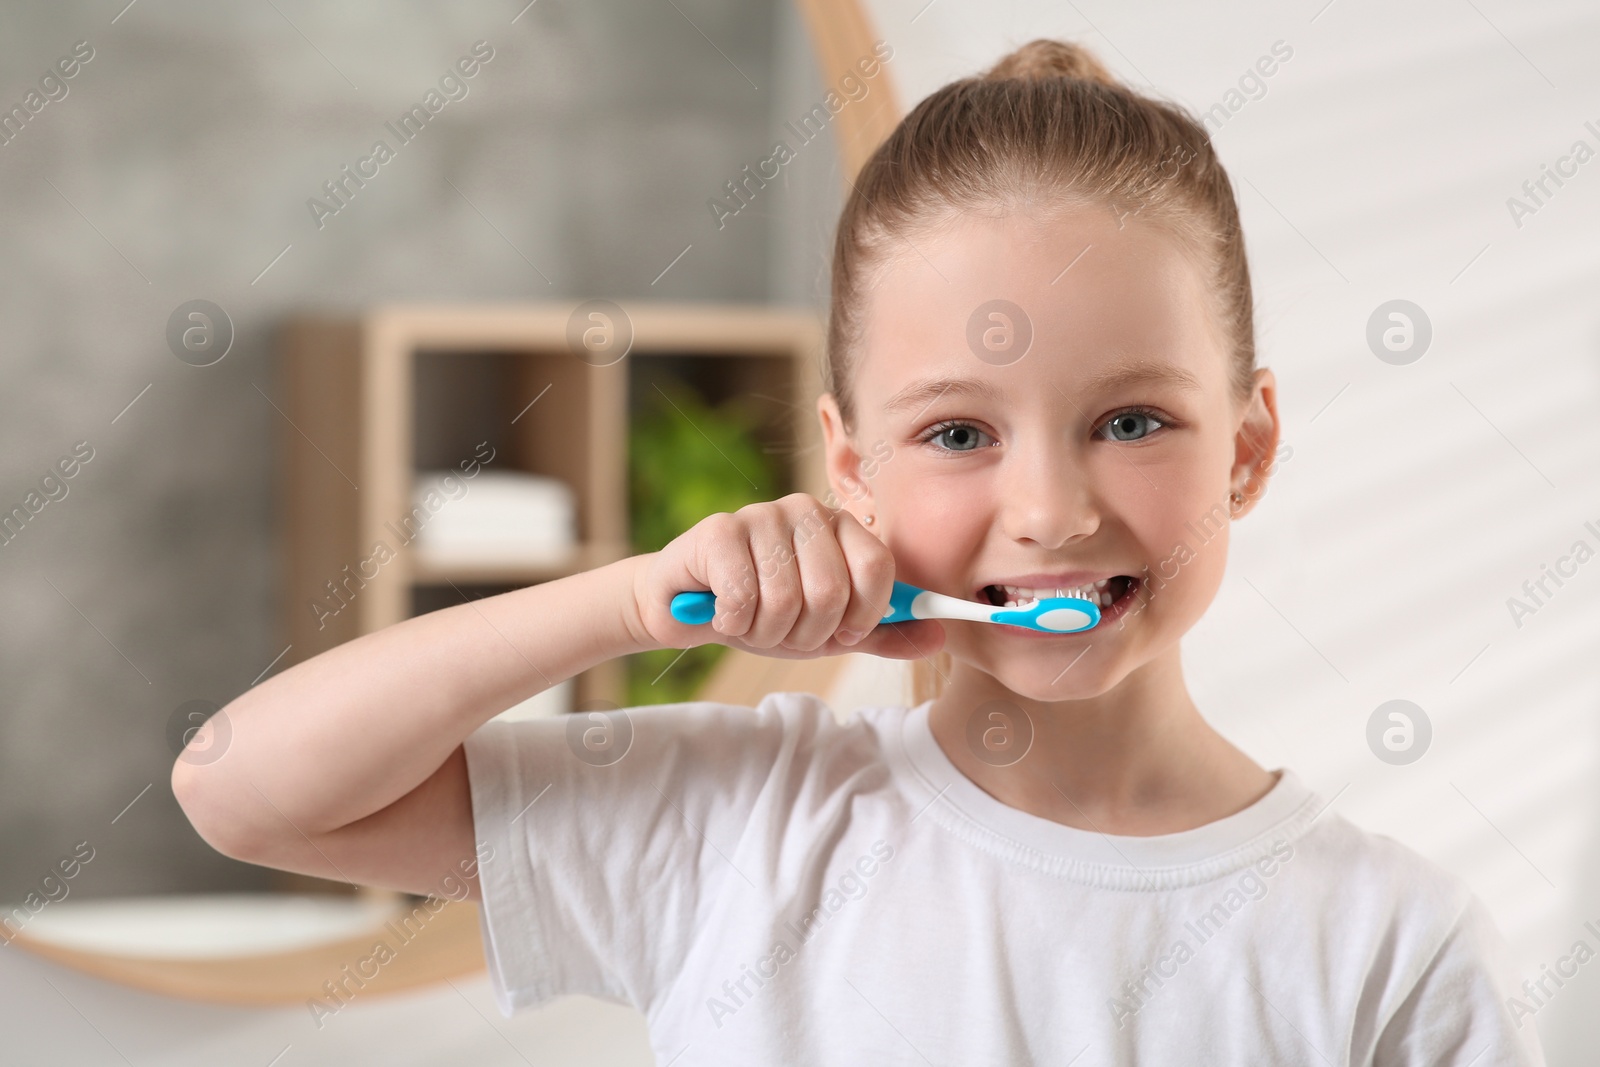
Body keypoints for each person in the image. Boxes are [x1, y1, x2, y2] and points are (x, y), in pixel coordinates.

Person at [172, 38, 1545, 1064]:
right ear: (849, 467)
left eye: (1132, 419)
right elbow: (248, 792)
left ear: (1246, 448)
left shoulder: (1393, 949)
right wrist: (642, 599)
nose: (1053, 509)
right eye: (958, 432)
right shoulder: (740, 823)